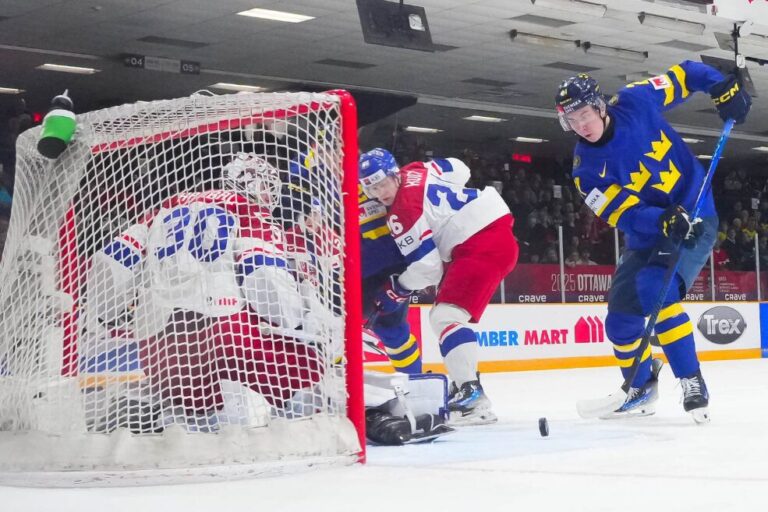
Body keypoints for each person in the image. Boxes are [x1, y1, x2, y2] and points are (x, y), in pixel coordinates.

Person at [555, 61, 751, 423]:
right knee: (620, 322)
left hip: (696, 216)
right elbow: (622, 212)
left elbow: (685, 74)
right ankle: (641, 387)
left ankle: (691, 380)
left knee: (652, 286)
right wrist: (661, 219)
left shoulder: (635, 100)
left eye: (584, 114)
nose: (581, 125)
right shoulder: (586, 171)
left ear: (599, 106)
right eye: (572, 119)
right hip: (649, 234)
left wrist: (720, 87)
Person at [84, 152, 330, 431]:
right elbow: (265, 279)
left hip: (156, 351)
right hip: (224, 338)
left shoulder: (167, 206)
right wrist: (297, 321)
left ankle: (170, 415)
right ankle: (269, 422)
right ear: (250, 184)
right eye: (266, 187)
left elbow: (112, 261)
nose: (269, 196)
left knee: (190, 401)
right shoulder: (249, 212)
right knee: (311, 362)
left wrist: (106, 314)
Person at [359, 148, 518, 425]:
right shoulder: (418, 169)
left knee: (445, 316)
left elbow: (428, 269)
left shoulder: (401, 213)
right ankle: (465, 384)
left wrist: (397, 288)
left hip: (479, 243)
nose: (379, 193)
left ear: (393, 175)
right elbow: (460, 168)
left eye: (382, 183)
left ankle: (471, 395)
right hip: (495, 232)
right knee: (447, 316)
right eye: (371, 188)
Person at [359, 183, 422, 374]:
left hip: (386, 267)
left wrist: (402, 280)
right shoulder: (316, 176)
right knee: (327, 323)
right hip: (342, 264)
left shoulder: (381, 182)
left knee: (392, 330)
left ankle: (413, 381)